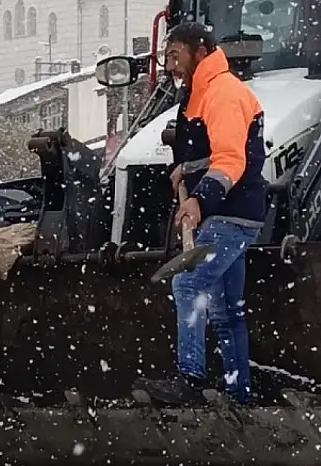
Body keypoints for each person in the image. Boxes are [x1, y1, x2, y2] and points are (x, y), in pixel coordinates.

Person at [134, 23, 267, 405]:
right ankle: (239, 395)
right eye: (168, 57)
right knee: (227, 311)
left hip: (230, 215)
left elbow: (232, 158)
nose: (172, 64)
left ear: (201, 50)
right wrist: (188, 169)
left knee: (187, 283)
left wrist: (200, 199)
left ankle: (189, 380)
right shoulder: (199, 94)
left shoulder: (222, 93)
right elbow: (219, 152)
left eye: (176, 55)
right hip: (231, 213)